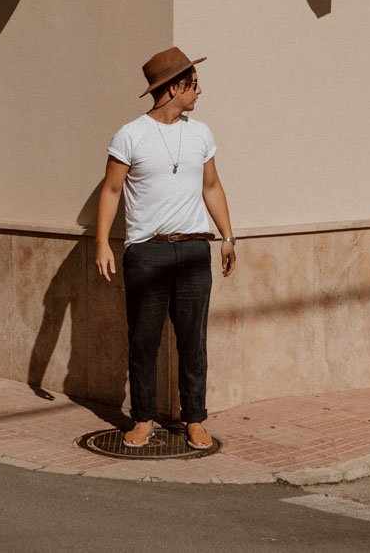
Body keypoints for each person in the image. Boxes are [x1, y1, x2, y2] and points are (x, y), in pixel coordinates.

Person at [94, 46, 236, 450]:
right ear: (174, 87)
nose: (199, 92)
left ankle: (194, 419)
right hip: (147, 252)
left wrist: (227, 236)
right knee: (144, 340)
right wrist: (102, 242)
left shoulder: (201, 133)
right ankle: (143, 419)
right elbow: (111, 189)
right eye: (194, 84)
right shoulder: (130, 135)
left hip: (193, 250)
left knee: (193, 340)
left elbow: (212, 186)